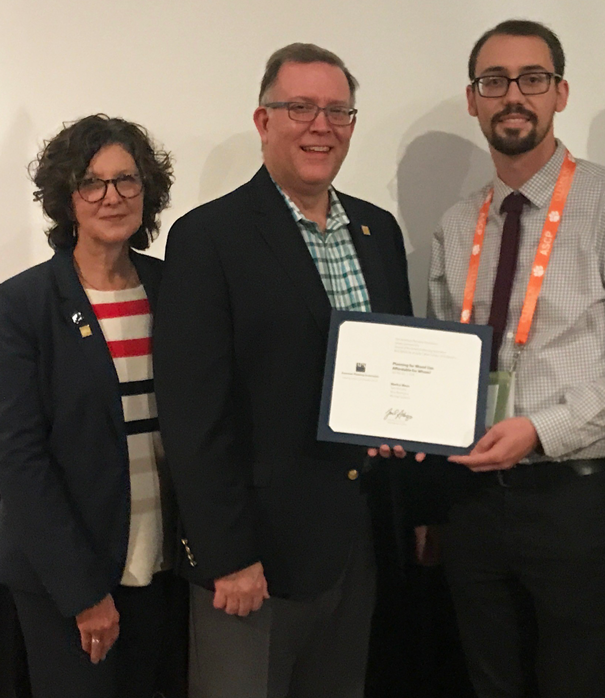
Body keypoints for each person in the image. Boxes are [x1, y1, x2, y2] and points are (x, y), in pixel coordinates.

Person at [424, 19, 605, 697]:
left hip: (580, 499)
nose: (514, 95)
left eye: (532, 79)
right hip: (474, 502)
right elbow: (440, 351)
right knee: (488, 682)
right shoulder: (457, 225)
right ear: (473, 99)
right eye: (495, 81)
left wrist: (543, 429)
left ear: (560, 93)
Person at [153, 43, 413, 698]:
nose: (319, 125)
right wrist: (227, 556)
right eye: (299, 107)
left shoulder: (378, 232)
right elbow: (192, 415)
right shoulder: (209, 237)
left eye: (336, 110)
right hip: (255, 559)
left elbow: (400, 366)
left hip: (357, 544)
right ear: (263, 120)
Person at [0, 115, 186, 698]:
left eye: (127, 181)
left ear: (146, 192)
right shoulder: (25, 302)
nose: (112, 197)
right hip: (66, 576)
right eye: (91, 182)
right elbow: (19, 459)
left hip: (159, 559)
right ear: (65, 197)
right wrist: (83, 593)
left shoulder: (172, 289)